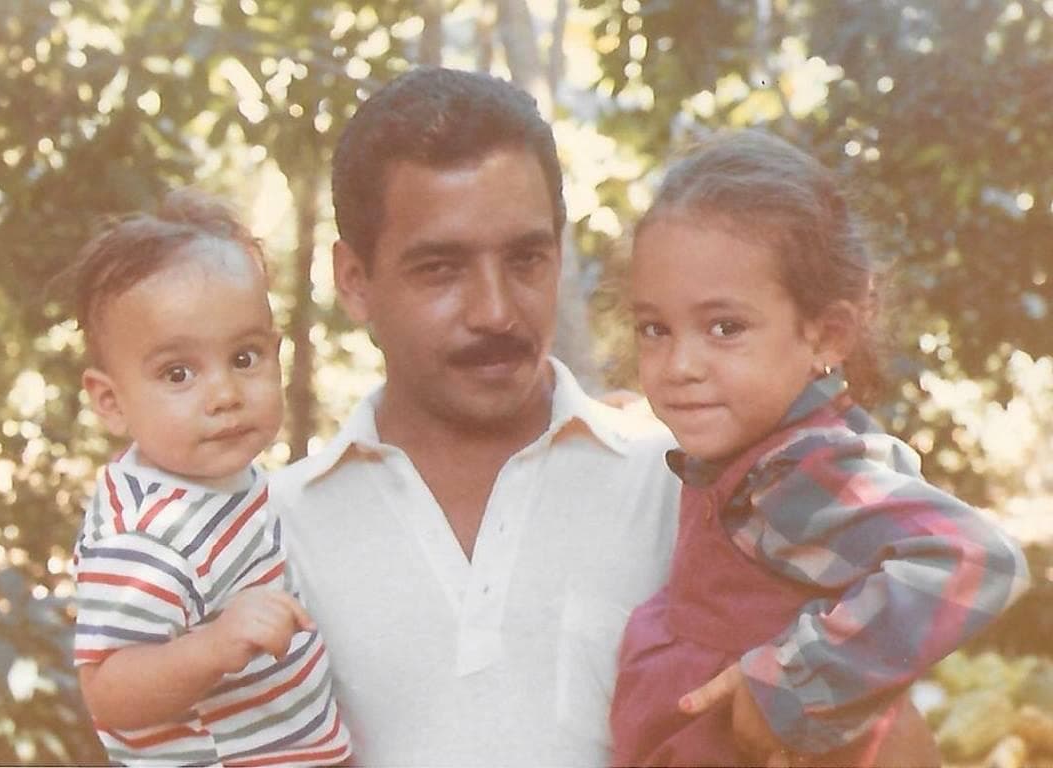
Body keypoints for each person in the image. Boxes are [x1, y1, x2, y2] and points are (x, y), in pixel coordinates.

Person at [269, 67, 680, 766]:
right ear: (355, 281)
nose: (495, 310)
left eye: (526, 258)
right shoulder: (271, 533)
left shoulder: (677, 488)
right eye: (441, 268)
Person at [609, 130, 1030, 767]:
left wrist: (793, 685)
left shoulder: (797, 469)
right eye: (655, 329)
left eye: (726, 328)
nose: (680, 364)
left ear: (827, 335)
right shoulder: (746, 458)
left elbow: (974, 556)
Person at [68, 190, 352, 766]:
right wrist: (214, 647)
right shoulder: (143, 537)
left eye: (245, 358)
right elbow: (108, 692)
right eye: (178, 372)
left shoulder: (222, 474)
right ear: (111, 402)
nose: (224, 395)